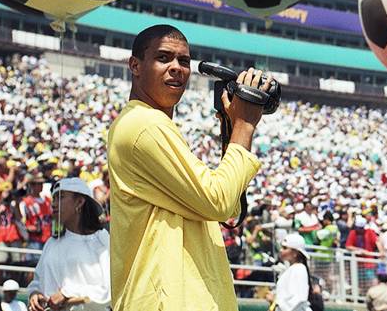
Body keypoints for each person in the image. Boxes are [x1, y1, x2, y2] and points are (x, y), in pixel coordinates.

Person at [108, 25, 273, 310]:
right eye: (164, 58)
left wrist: (232, 128)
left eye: (183, 61)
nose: (176, 68)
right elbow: (219, 202)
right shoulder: (145, 125)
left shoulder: (154, 125)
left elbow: (229, 205)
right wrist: (245, 126)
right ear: (135, 65)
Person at [27, 178, 110, 311]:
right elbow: (37, 281)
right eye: (54, 199)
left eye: (61, 197)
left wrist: (67, 294)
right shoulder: (52, 243)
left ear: (80, 202)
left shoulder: (102, 239)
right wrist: (34, 294)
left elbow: (109, 290)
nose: (54, 204)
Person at [266, 233, 313, 311]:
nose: (281, 250)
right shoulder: (292, 269)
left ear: (295, 253)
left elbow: (298, 300)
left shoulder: (299, 269)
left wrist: (275, 300)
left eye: (285, 248)